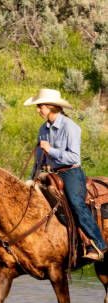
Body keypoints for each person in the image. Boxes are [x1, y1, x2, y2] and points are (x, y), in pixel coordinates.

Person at [25, 88, 106, 261]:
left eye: (40, 106)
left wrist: (51, 150)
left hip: (70, 172)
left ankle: (98, 245)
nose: (38, 110)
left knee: (77, 205)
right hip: (50, 174)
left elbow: (74, 157)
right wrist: (33, 177)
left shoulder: (70, 127)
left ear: (50, 107)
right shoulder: (43, 129)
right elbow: (38, 159)